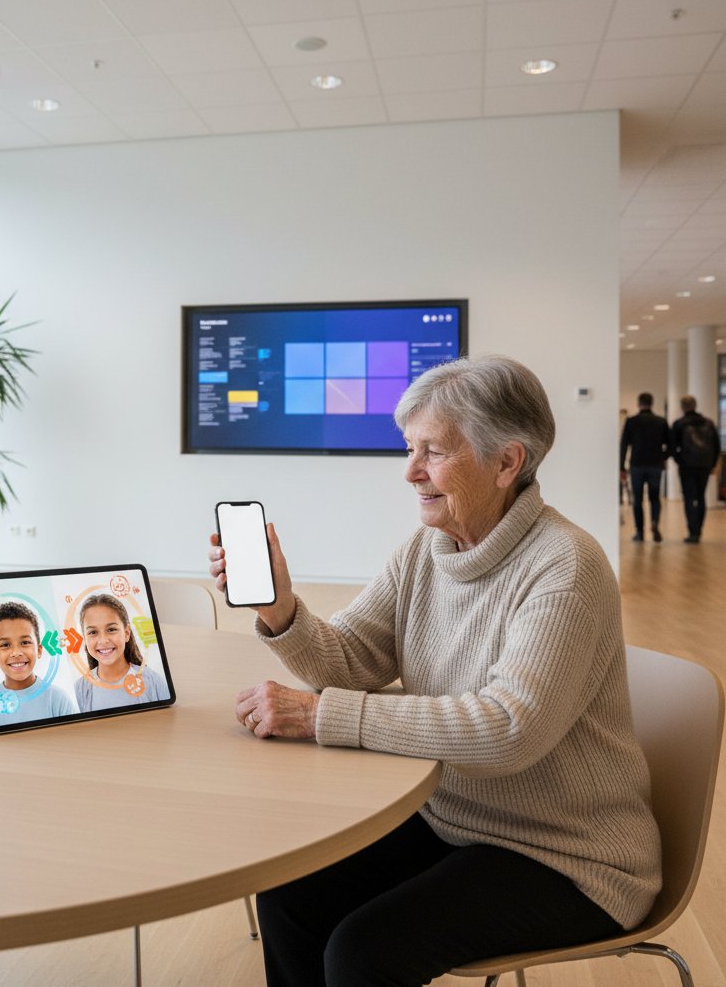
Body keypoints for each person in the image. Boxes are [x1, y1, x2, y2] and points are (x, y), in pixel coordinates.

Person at [207, 355, 660, 987]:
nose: (410, 471)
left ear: (507, 463)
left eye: (433, 452)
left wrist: (321, 715)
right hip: (449, 817)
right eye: (409, 447)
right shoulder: (429, 548)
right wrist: (279, 608)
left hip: (567, 854)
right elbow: (352, 661)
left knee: (364, 953)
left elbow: (508, 730)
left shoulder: (566, 567)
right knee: (289, 893)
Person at [0, 600, 77, 728]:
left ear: (39, 650)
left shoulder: (58, 700)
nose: (16, 653)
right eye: (5, 645)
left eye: (25, 642)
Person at [74, 593, 169, 711]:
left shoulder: (152, 681)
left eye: (111, 629)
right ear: (85, 638)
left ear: (126, 633)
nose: (103, 641)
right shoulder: (81, 687)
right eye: (93, 632)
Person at [670, 395, 721, 543]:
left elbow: (673, 448)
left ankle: (693, 532)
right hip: (705, 465)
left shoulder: (679, 424)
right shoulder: (708, 423)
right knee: (700, 497)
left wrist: (680, 462)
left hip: (688, 466)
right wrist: (712, 464)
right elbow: (716, 446)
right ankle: (699, 530)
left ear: (683, 406)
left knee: (689, 498)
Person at [619, 392, 670, 541]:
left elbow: (624, 445)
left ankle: (640, 532)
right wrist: (663, 458)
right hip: (655, 465)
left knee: (638, 500)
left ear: (638, 404)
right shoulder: (661, 421)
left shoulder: (631, 421)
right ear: (651, 404)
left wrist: (621, 467)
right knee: (655, 498)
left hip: (637, 466)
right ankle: (654, 524)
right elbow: (670, 444)